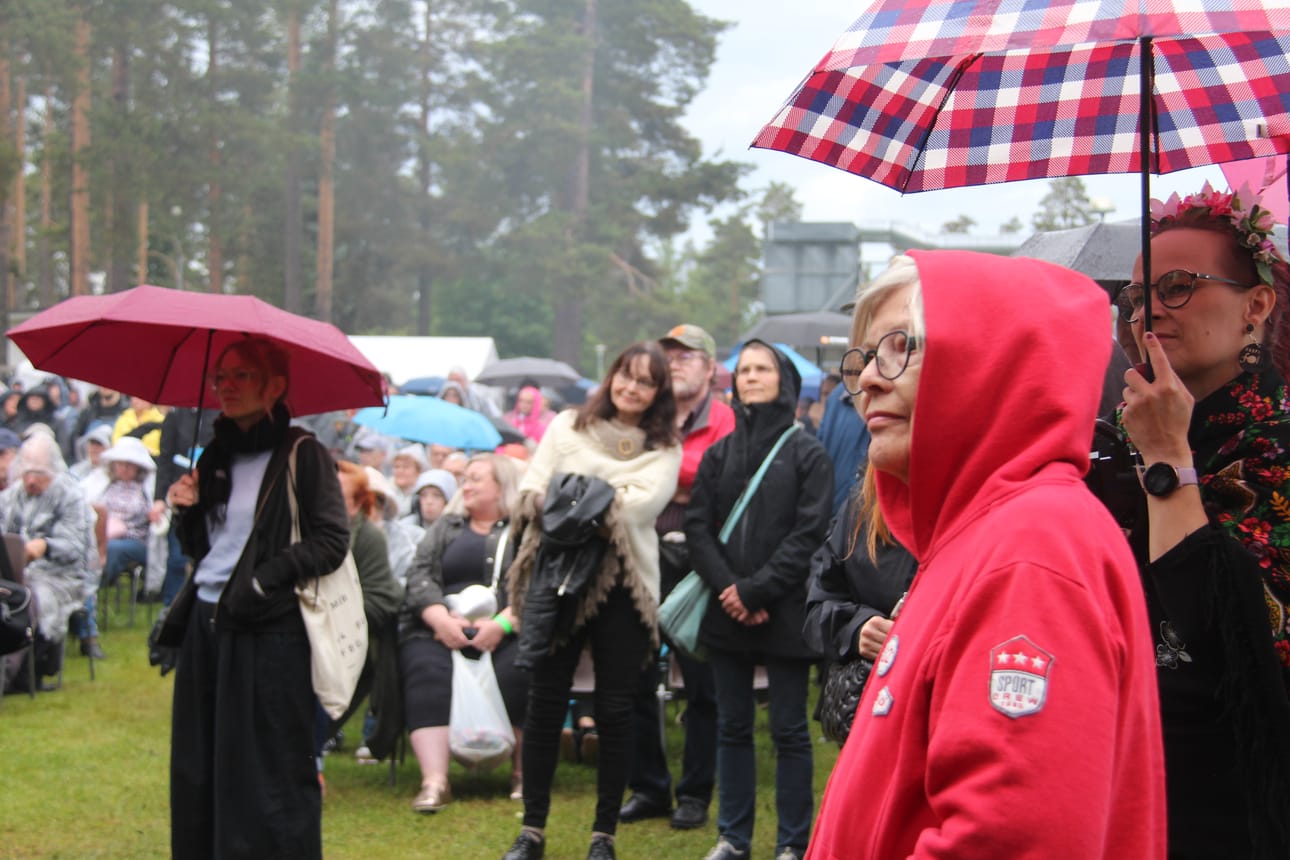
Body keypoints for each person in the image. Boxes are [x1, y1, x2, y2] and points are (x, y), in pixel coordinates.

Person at [806, 251, 1166, 859]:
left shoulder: (1033, 549)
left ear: (994, 363)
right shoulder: (984, 534)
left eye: (902, 347)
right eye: (864, 357)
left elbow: (1009, 838)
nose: (867, 381)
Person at [1112, 183, 1290, 858]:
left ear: (1257, 306)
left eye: (1178, 286)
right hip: (1129, 788)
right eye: (1137, 296)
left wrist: (1168, 462)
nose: (1148, 312)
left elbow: (1231, 640)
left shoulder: (1277, 446)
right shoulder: (1116, 443)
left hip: (1241, 812)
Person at [165, 336, 350, 860]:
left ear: (275, 386)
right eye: (219, 376)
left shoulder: (303, 453)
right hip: (206, 622)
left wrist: (264, 581)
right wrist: (186, 511)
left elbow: (332, 540)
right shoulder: (215, 454)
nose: (226, 386)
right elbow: (205, 549)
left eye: (241, 375)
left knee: (270, 772)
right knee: (200, 766)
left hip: (269, 631)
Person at [500, 342, 681, 860]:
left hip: (624, 584)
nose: (631, 388)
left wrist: (569, 495)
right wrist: (592, 497)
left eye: (645, 382)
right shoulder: (567, 426)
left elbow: (639, 508)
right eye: (626, 375)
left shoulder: (664, 447)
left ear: (658, 393)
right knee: (545, 702)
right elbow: (531, 493)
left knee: (615, 709)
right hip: (556, 577)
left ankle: (604, 836)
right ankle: (531, 831)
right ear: (611, 377)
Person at [686, 339, 832, 860]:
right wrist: (731, 589)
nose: (750, 376)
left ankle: (793, 843)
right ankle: (733, 838)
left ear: (783, 380)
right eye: (743, 369)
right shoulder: (719, 453)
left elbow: (809, 533)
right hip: (727, 608)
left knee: (789, 730)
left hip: (785, 609)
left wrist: (755, 589)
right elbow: (697, 528)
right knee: (732, 727)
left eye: (762, 368)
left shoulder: (808, 453)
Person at [620, 324, 735, 831]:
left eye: (689, 356)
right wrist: (678, 482)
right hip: (642, 554)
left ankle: (695, 793)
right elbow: (621, 473)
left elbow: (722, 485)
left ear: (710, 369)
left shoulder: (727, 420)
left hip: (699, 560)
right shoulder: (646, 414)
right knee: (635, 674)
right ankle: (648, 787)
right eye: (670, 355)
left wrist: (666, 479)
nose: (677, 363)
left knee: (702, 683)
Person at [399, 453, 527, 811]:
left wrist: (502, 624)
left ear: (501, 486)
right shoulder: (447, 526)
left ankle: (523, 775)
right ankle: (435, 782)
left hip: (509, 629)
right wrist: (439, 618)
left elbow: (536, 585)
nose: (465, 486)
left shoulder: (525, 532)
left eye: (475, 479)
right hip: (439, 629)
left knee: (521, 668)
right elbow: (419, 573)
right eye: (465, 479)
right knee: (426, 668)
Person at [0, 432, 94, 684]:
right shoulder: (11, 496)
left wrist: (45, 545)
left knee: (30, 598)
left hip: (60, 575)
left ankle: (17, 674)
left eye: (38, 474)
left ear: (52, 471)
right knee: (10, 593)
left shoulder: (70, 495)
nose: (31, 480)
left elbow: (75, 546)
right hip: (13, 573)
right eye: (26, 473)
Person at [389, 444, 430, 515]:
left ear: (418, 471)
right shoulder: (386, 491)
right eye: (397, 467)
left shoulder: (423, 495)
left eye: (406, 467)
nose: (400, 471)